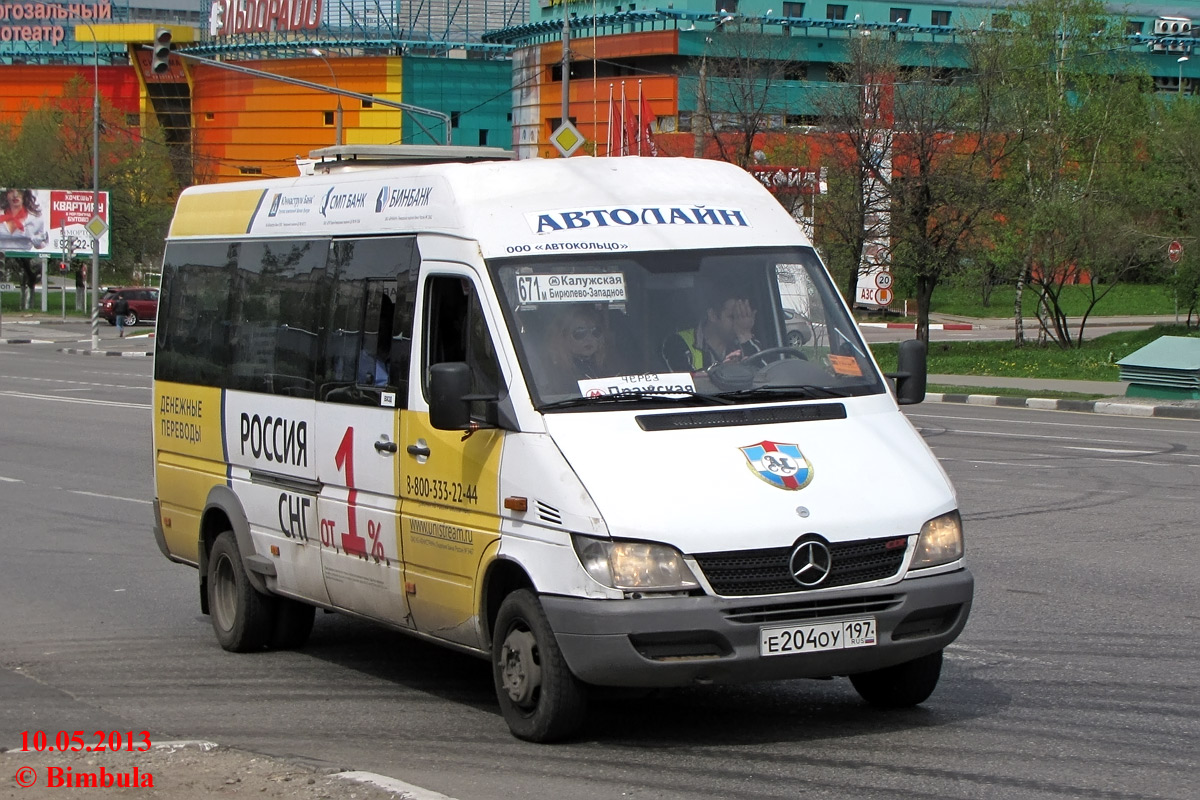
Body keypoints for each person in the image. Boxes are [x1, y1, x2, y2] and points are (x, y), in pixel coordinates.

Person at [661, 291, 761, 372]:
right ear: (713, 315)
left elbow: (768, 376)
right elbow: (683, 385)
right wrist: (721, 371)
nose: (740, 323)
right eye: (733, 317)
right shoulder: (677, 342)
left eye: (743, 316)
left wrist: (745, 335)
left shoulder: (746, 342)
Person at [539, 305, 611, 392]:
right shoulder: (554, 372)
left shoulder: (609, 366)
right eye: (580, 333)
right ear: (562, 337)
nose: (589, 338)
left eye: (595, 331)